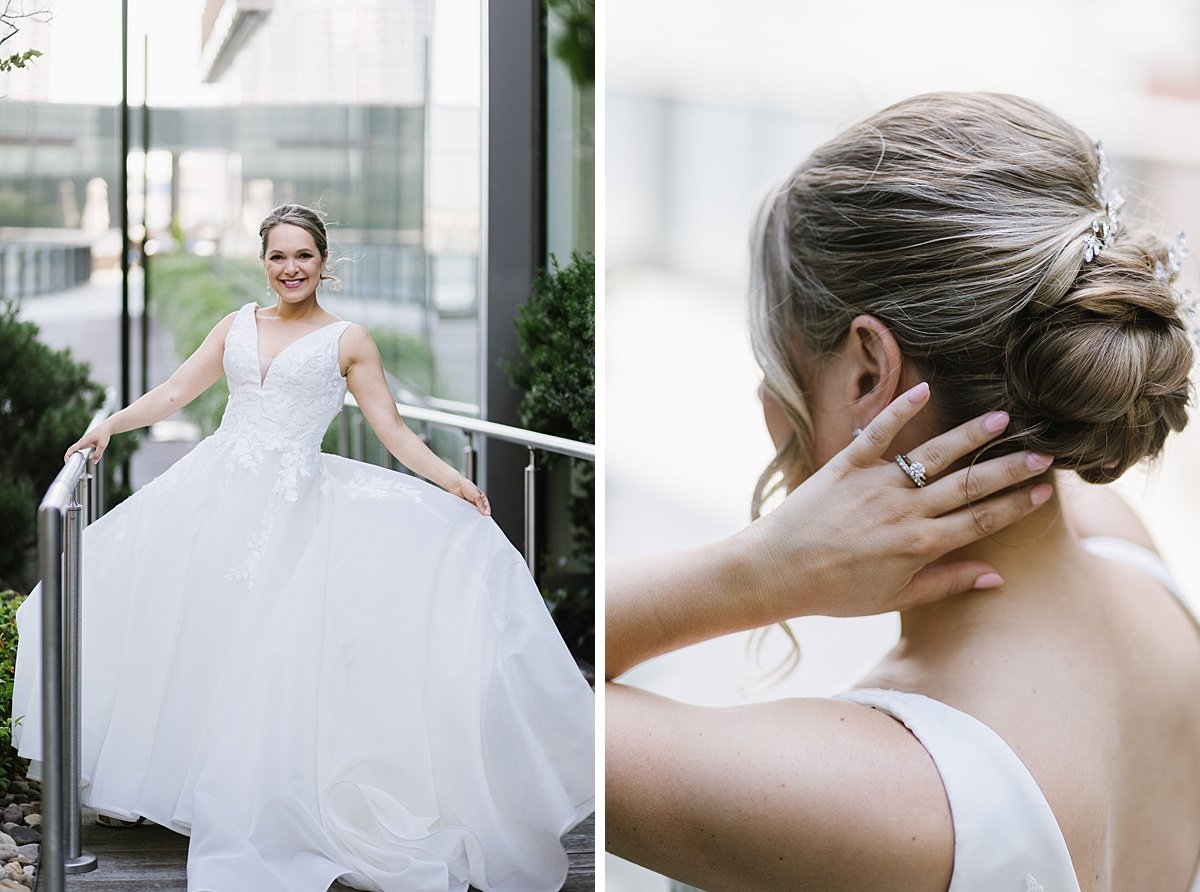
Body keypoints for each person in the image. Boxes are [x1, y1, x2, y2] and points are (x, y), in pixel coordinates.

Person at [606, 92, 1200, 891]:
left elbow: (510, 675)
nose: (764, 393)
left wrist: (750, 575)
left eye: (777, 354)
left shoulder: (872, 796)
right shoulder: (1127, 553)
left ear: (867, 371)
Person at [11, 203, 595, 892]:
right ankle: (191, 785)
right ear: (264, 260)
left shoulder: (348, 341)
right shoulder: (236, 325)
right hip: (211, 495)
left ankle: (254, 793)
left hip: (292, 511)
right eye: (278, 256)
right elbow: (175, 390)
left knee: (266, 656)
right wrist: (110, 424)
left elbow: (395, 434)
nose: (290, 268)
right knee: (178, 629)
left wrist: (453, 482)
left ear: (324, 263)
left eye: (304, 257)